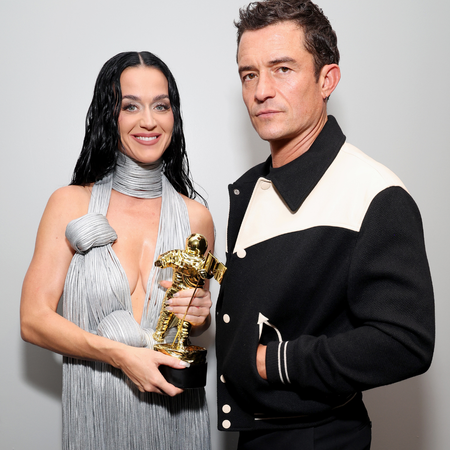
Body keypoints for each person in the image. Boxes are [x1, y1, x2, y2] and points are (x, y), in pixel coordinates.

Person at [215, 1, 435, 449]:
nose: (261, 91)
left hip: (318, 438)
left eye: (282, 69)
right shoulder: (252, 189)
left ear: (327, 79)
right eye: (249, 74)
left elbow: (405, 341)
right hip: (255, 436)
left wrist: (276, 361)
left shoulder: (375, 193)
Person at [20, 51, 214, 450]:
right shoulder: (70, 204)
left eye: (161, 105)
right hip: (98, 418)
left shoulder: (197, 218)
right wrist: (121, 356)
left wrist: (200, 314)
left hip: (180, 418)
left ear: (173, 116)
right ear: (110, 115)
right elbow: (33, 320)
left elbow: (192, 329)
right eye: (131, 106)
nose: (149, 121)